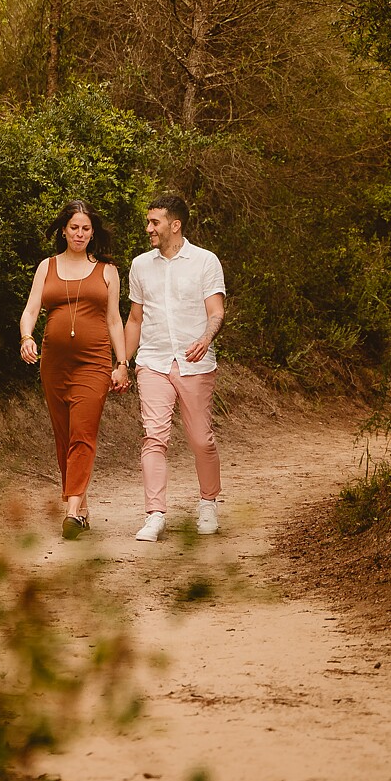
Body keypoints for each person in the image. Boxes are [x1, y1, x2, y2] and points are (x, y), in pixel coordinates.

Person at [18, 200, 129, 539]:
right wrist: (26, 337)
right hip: (53, 363)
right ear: (64, 230)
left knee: (83, 433)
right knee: (64, 436)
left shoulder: (107, 270)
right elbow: (31, 308)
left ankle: (70, 512)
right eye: (74, 227)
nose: (80, 233)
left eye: (86, 228)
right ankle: (80, 505)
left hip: (94, 363)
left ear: (93, 233)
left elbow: (114, 320)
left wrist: (122, 363)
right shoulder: (46, 267)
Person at [122, 191, 226, 542]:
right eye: (149, 221)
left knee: (201, 439)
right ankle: (155, 514)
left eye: (155, 222)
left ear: (175, 224)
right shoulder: (140, 265)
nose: (149, 227)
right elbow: (134, 319)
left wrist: (206, 338)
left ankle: (208, 503)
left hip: (195, 363)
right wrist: (122, 361)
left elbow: (216, 312)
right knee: (154, 437)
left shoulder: (205, 262)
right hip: (152, 360)